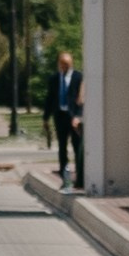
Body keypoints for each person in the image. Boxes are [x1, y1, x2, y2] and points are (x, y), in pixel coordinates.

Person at [46, 47, 85, 190]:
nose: (65, 67)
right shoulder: (54, 79)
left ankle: (80, 179)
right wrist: (45, 118)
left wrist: (78, 116)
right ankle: (65, 179)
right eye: (62, 64)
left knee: (77, 147)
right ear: (59, 64)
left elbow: (81, 99)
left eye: (67, 64)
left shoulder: (78, 77)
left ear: (71, 63)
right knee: (62, 148)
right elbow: (49, 99)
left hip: (74, 118)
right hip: (60, 116)